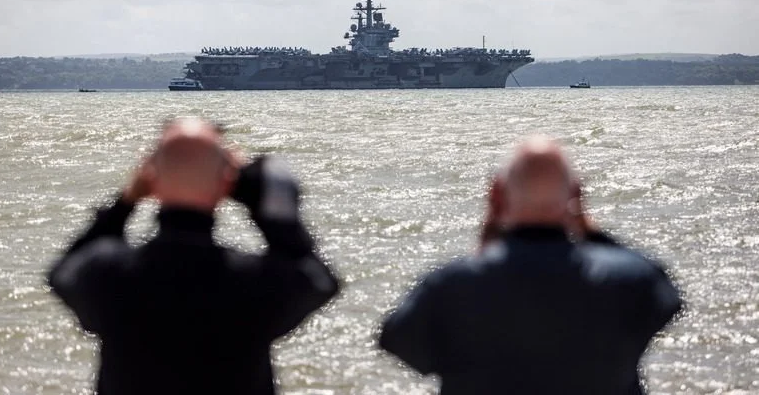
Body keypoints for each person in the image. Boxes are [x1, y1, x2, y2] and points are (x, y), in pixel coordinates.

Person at [48, 117, 340, 395]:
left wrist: (125, 202)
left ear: (149, 178)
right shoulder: (253, 283)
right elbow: (319, 280)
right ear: (228, 185)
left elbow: (62, 272)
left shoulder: (108, 274)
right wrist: (261, 202)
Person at [379, 137, 682, 394]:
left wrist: (486, 244)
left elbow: (398, 342)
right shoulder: (632, 281)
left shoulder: (448, 286)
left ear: (496, 196)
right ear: (575, 194)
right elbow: (665, 295)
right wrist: (587, 227)